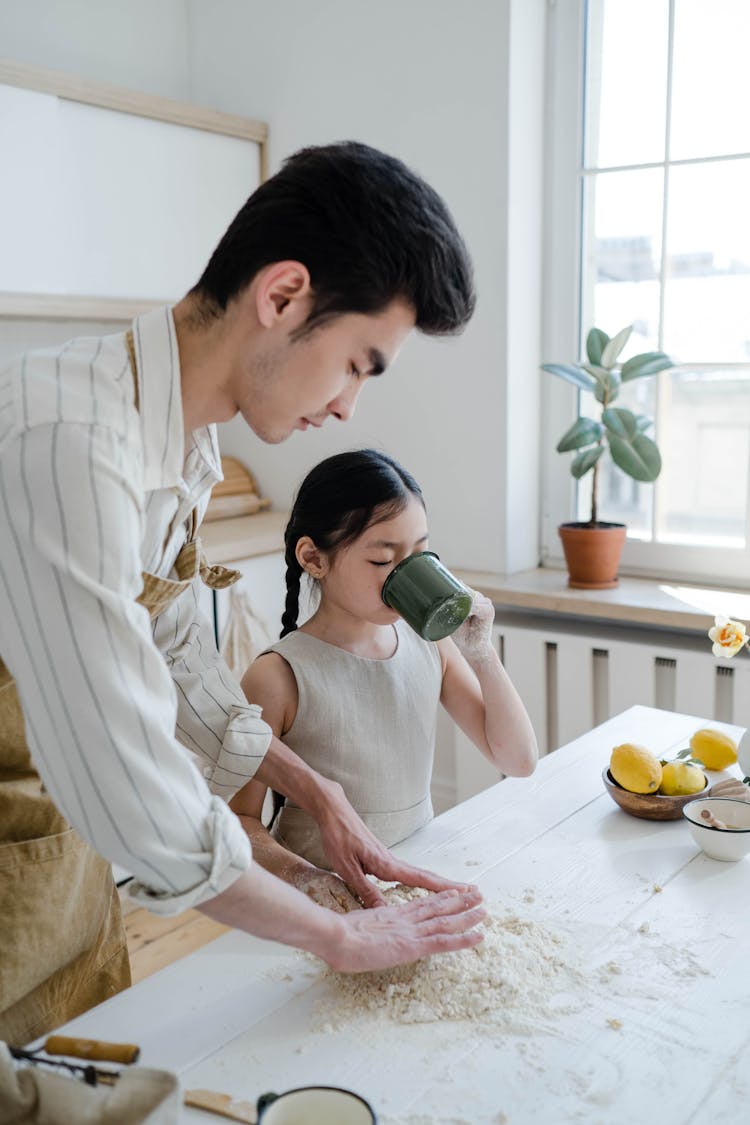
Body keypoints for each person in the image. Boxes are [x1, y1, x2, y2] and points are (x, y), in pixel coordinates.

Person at [0, 141, 484, 1046]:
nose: (348, 407)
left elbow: (178, 653)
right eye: (357, 362)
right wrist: (341, 933)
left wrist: (315, 789)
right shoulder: (67, 439)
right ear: (283, 295)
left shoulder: (185, 443)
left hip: (55, 844)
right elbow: (127, 781)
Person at [230, 449, 538, 910]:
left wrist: (481, 653)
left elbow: (517, 760)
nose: (406, 572)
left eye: (419, 553)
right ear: (314, 558)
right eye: (382, 560)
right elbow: (238, 821)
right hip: (318, 902)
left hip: (412, 877)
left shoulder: (429, 645)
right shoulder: (278, 675)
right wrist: (313, 881)